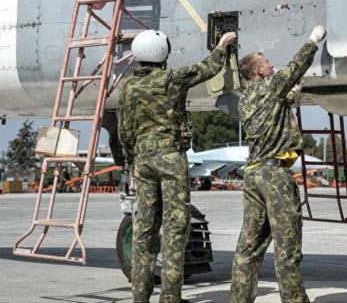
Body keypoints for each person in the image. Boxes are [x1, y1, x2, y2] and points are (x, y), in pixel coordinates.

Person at [120, 29, 237, 303]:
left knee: (145, 229)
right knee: (175, 229)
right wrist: (222, 46)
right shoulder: (172, 79)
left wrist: (134, 161)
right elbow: (207, 68)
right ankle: (170, 297)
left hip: (144, 161)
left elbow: (125, 132)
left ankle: (140, 297)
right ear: (161, 52)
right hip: (171, 159)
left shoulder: (127, 86)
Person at [229, 25, 326, 303]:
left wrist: (293, 93)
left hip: (253, 175)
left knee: (249, 247)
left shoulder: (246, 99)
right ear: (258, 71)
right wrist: (312, 40)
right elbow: (295, 66)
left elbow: (276, 105)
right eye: (267, 63)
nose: (272, 65)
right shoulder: (271, 86)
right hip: (274, 175)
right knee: (287, 248)